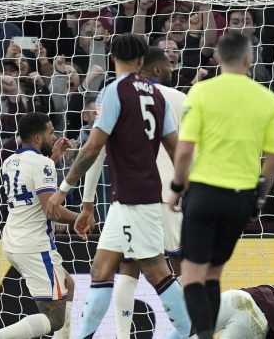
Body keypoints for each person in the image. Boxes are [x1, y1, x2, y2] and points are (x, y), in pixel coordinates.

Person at [45, 33, 191, 339]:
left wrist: (63, 189)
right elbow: (176, 149)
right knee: (101, 269)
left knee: (155, 270)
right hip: (125, 201)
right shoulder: (157, 95)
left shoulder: (113, 92)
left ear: (112, 59)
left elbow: (91, 148)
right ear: (141, 61)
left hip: (138, 201)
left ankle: (188, 327)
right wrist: (183, 187)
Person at [167, 32, 274, 339]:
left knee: (192, 274)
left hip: (203, 193)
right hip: (240, 199)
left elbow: (184, 151)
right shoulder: (267, 99)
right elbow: (272, 162)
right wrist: (258, 200)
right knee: (215, 274)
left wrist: (177, 187)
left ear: (217, 59)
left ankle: (204, 334)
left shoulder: (201, 93)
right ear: (249, 59)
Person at [0, 113, 78, 339]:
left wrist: (53, 159)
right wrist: (80, 218)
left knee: (68, 285)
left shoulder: (9, 162)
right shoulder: (42, 164)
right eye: (51, 132)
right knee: (54, 318)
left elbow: (30, 182)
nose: (54, 136)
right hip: (35, 246)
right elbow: (51, 210)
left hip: (13, 240)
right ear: (39, 138)